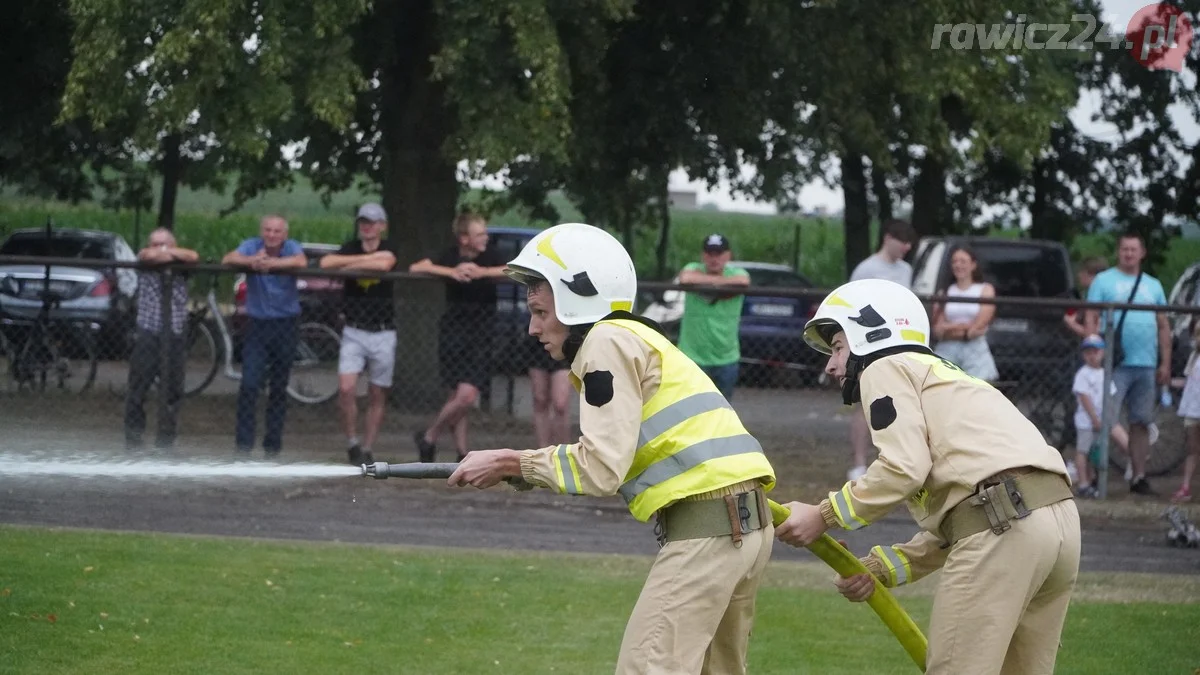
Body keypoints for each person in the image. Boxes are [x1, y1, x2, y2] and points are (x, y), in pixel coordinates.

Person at [447, 223, 777, 675]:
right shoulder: (637, 338)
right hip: (744, 527)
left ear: (576, 299)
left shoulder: (605, 342)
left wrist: (509, 462)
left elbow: (601, 468)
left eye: (541, 311)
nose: (532, 327)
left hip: (709, 532)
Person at [775, 278, 1080, 675]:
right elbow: (971, 515)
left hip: (1005, 530)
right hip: (1059, 528)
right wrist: (882, 568)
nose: (831, 365)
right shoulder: (946, 377)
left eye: (836, 347)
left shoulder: (883, 366)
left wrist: (823, 515)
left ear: (871, 332)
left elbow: (905, 468)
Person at [409, 213, 508, 462]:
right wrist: (451, 272)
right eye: (479, 234)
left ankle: (429, 436)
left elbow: (513, 271)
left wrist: (481, 273)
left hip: (482, 330)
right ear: (464, 239)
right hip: (454, 329)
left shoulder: (490, 255)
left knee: (467, 395)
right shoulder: (451, 255)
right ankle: (462, 452)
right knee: (456, 395)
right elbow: (417, 266)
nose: (485, 238)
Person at [1085, 232, 1171, 495]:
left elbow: (1163, 324)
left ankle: (1138, 476)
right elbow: (1091, 315)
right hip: (1114, 362)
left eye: (1134, 249)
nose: (1129, 254)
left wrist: (1165, 363)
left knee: (1141, 421)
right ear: (1119, 252)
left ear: (1142, 252)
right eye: (1125, 249)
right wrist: (1092, 347)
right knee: (1105, 415)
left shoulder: (1154, 285)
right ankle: (1095, 477)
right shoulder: (1103, 281)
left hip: (1145, 362)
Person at [319, 203, 398, 466]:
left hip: (383, 332)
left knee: (377, 393)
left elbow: (386, 263)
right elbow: (327, 263)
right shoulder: (350, 247)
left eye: (373, 222)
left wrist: (351, 267)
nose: (367, 226)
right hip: (354, 330)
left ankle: (367, 447)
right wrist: (365, 261)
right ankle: (351, 442)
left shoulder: (390, 247)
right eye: (364, 221)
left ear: (382, 226)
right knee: (346, 388)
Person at [222, 215, 307, 456]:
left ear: (285, 234)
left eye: (277, 231)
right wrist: (252, 261)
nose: (271, 235)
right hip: (257, 325)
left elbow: (300, 261)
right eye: (267, 230)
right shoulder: (251, 245)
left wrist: (270, 265)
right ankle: (243, 446)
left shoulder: (291, 248)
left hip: (286, 324)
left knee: (278, 387)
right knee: (249, 384)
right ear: (262, 232)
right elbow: (229, 258)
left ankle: (272, 447)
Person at [845, 219, 918, 481]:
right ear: (888, 238)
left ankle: (893, 460)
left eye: (910, 243)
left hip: (897, 342)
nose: (907, 247)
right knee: (864, 401)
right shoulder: (867, 269)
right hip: (869, 342)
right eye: (903, 241)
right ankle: (858, 462)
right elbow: (850, 306)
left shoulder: (906, 270)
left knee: (897, 399)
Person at [124, 227, 199, 450]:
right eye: (155, 244)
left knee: (173, 391)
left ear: (173, 245)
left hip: (174, 333)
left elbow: (193, 256)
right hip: (148, 331)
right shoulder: (144, 260)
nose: (158, 249)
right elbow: (147, 256)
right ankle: (134, 440)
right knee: (138, 389)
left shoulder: (182, 266)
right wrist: (164, 255)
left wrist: (169, 255)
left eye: (164, 244)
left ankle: (165, 442)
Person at [676, 233, 750, 401]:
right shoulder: (692, 267)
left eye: (719, 253)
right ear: (703, 255)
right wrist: (720, 282)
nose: (714, 258)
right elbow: (685, 277)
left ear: (728, 255)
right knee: (690, 408)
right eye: (710, 253)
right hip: (692, 357)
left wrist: (705, 283)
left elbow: (743, 281)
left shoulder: (737, 272)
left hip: (726, 357)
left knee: (723, 411)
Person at [1071, 334, 1133, 498]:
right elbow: (1084, 398)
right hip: (1087, 421)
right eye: (1088, 352)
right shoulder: (1083, 374)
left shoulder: (1104, 373)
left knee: (1096, 452)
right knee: (1083, 450)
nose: (1092, 356)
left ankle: (1094, 480)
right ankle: (1083, 483)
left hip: (1102, 420)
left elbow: (1110, 397)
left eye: (1096, 352)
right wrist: (1094, 419)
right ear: (1084, 355)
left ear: (1102, 353)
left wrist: (1108, 418)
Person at [931, 245, 999, 382]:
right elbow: (938, 329)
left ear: (973, 265)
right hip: (947, 350)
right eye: (954, 261)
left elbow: (979, 326)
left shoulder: (985, 289)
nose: (958, 265)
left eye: (963, 261)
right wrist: (965, 328)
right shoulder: (944, 292)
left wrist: (950, 327)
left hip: (975, 350)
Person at [525, 332, 572, 447]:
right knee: (540, 400)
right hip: (538, 343)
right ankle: (544, 451)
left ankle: (563, 453)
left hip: (564, 343)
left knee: (560, 404)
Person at [1172, 319, 1200, 502]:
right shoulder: (1194, 357)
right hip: (1193, 408)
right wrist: (1170, 383)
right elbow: (1189, 382)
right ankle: (1186, 486)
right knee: (1192, 449)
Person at [1063, 256, 1108, 339]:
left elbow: (1095, 335)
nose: (1079, 275)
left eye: (1082, 272)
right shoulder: (1086, 295)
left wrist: (1071, 324)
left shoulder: (1101, 298)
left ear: (1092, 275)